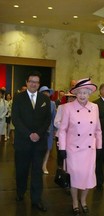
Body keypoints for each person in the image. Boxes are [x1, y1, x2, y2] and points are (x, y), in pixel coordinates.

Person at [58, 78, 102, 216]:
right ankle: (75, 203)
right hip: (73, 150)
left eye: (85, 93)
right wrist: (62, 149)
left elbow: (98, 130)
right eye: (80, 92)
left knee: (88, 177)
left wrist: (99, 146)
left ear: (90, 94)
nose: (83, 95)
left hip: (89, 150)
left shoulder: (95, 107)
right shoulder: (68, 108)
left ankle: (83, 201)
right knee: (75, 177)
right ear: (75, 93)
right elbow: (63, 130)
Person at [12, 71, 51, 212]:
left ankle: (36, 199)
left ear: (39, 84)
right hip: (23, 142)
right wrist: (29, 134)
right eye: (31, 81)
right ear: (27, 82)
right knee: (21, 170)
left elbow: (47, 119)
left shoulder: (45, 99)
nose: (34, 84)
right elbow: (16, 119)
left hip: (39, 142)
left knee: (36, 172)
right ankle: (20, 193)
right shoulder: (18, 98)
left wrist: (38, 134)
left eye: (36, 82)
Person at [54, 93, 76, 168]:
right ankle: (61, 174)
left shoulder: (78, 108)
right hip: (61, 136)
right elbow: (56, 122)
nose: (71, 99)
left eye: (73, 97)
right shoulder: (61, 107)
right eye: (70, 97)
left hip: (73, 136)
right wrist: (66, 127)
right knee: (61, 156)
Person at [39, 86, 56, 174]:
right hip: (39, 130)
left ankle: (44, 165)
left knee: (48, 148)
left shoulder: (52, 104)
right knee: (39, 148)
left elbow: (54, 117)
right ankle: (37, 165)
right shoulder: (36, 103)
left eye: (47, 92)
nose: (46, 93)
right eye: (44, 92)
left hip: (50, 129)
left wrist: (55, 130)